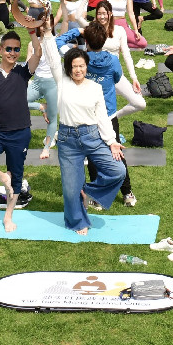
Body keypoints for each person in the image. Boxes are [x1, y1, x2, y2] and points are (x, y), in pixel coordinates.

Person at [41, 26, 126, 235]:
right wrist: (46, 34)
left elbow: (103, 118)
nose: (78, 70)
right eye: (74, 66)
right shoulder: (62, 82)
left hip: (92, 136)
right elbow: (53, 56)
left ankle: (87, 191)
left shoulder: (95, 88)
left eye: (81, 66)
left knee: (118, 171)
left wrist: (112, 141)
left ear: (86, 67)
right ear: (69, 68)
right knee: (70, 192)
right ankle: (78, 221)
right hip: (68, 140)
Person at [0, 30, 42, 232]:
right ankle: (4, 178)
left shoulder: (22, 72)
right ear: (1, 49)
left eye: (16, 49)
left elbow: (37, 53)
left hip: (20, 133)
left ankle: (8, 215)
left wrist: (33, 33)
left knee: (17, 177)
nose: (12, 53)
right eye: (9, 49)